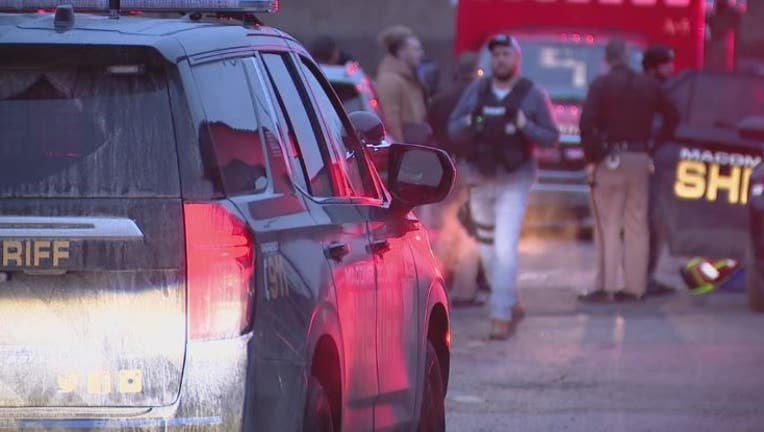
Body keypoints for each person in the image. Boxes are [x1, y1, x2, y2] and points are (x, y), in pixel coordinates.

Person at [448, 34, 560, 339]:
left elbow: (551, 136)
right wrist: (472, 121)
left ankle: (499, 316)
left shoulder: (531, 93)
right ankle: (510, 301)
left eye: (506, 54)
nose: (500, 59)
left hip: (515, 180)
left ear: (516, 59)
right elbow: (453, 128)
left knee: (505, 245)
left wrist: (526, 127)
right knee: (486, 246)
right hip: (481, 179)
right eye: (495, 54)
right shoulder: (478, 91)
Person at [579, 40, 679, 303]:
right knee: (637, 224)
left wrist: (594, 157)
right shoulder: (649, 85)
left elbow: (586, 123)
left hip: (609, 158)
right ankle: (635, 287)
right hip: (640, 158)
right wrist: (654, 145)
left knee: (608, 224)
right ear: (628, 58)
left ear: (607, 60)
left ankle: (606, 286)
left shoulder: (601, 85)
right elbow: (673, 116)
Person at [427, 52, 483, 306]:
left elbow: (430, 129)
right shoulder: (481, 99)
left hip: (444, 168)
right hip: (473, 168)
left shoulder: (440, 99)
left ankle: (436, 282)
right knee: (471, 231)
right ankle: (465, 290)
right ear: (478, 73)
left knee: (443, 228)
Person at [642, 45, 678, 297]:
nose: (671, 68)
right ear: (654, 67)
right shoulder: (653, 91)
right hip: (649, 164)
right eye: (667, 63)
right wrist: (657, 143)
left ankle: (643, 276)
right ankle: (645, 277)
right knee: (650, 222)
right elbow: (671, 119)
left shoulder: (656, 88)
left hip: (646, 161)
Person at [375, 25, 427, 143]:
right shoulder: (389, 80)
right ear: (401, 51)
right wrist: (402, 151)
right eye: (416, 49)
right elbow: (391, 120)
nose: (421, 54)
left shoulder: (409, 79)